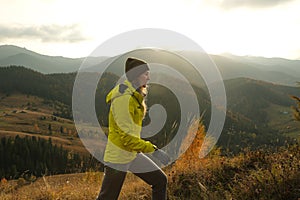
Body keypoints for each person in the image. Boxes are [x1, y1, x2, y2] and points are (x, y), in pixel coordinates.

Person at [97, 57, 170, 200]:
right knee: (107, 197)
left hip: (132, 154)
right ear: (136, 76)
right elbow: (127, 138)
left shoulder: (135, 95)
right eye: (145, 74)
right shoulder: (123, 98)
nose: (149, 78)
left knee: (160, 180)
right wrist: (153, 150)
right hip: (118, 158)